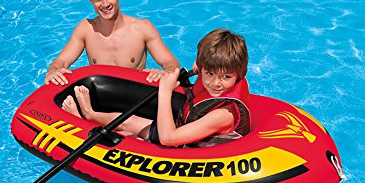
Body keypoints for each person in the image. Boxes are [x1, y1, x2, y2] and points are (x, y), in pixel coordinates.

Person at [62, 28, 251, 148]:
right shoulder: (211, 69)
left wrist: (165, 91)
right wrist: (175, 74)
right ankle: (90, 114)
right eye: (209, 74)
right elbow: (198, 66)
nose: (216, 83)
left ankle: (83, 124)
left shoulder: (224, 115)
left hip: (186, 150)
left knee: (129, 136)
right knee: (128, 120)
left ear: (239, 74)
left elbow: (168, 138)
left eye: (226, 77)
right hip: (184, 126)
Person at [45, 0, 179, 86]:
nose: (105, 4)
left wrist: (166, 72)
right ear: (91, 0)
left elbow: (171, 62)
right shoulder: (86, 29)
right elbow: (61, 61)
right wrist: (53, 71)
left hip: (136, 96)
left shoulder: (142, 28)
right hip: (101, 95)